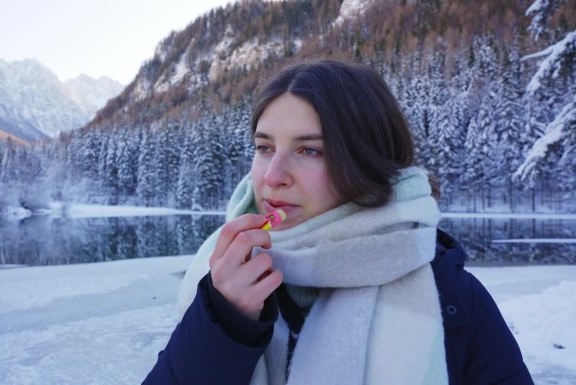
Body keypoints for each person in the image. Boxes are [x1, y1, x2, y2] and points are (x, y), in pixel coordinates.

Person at [142, 60, 533, 385]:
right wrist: (225, 319)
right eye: (264, 148)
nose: (273, 175)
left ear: (367, 162)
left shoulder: (452, 296)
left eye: (309, 150)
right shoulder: (224, 274)